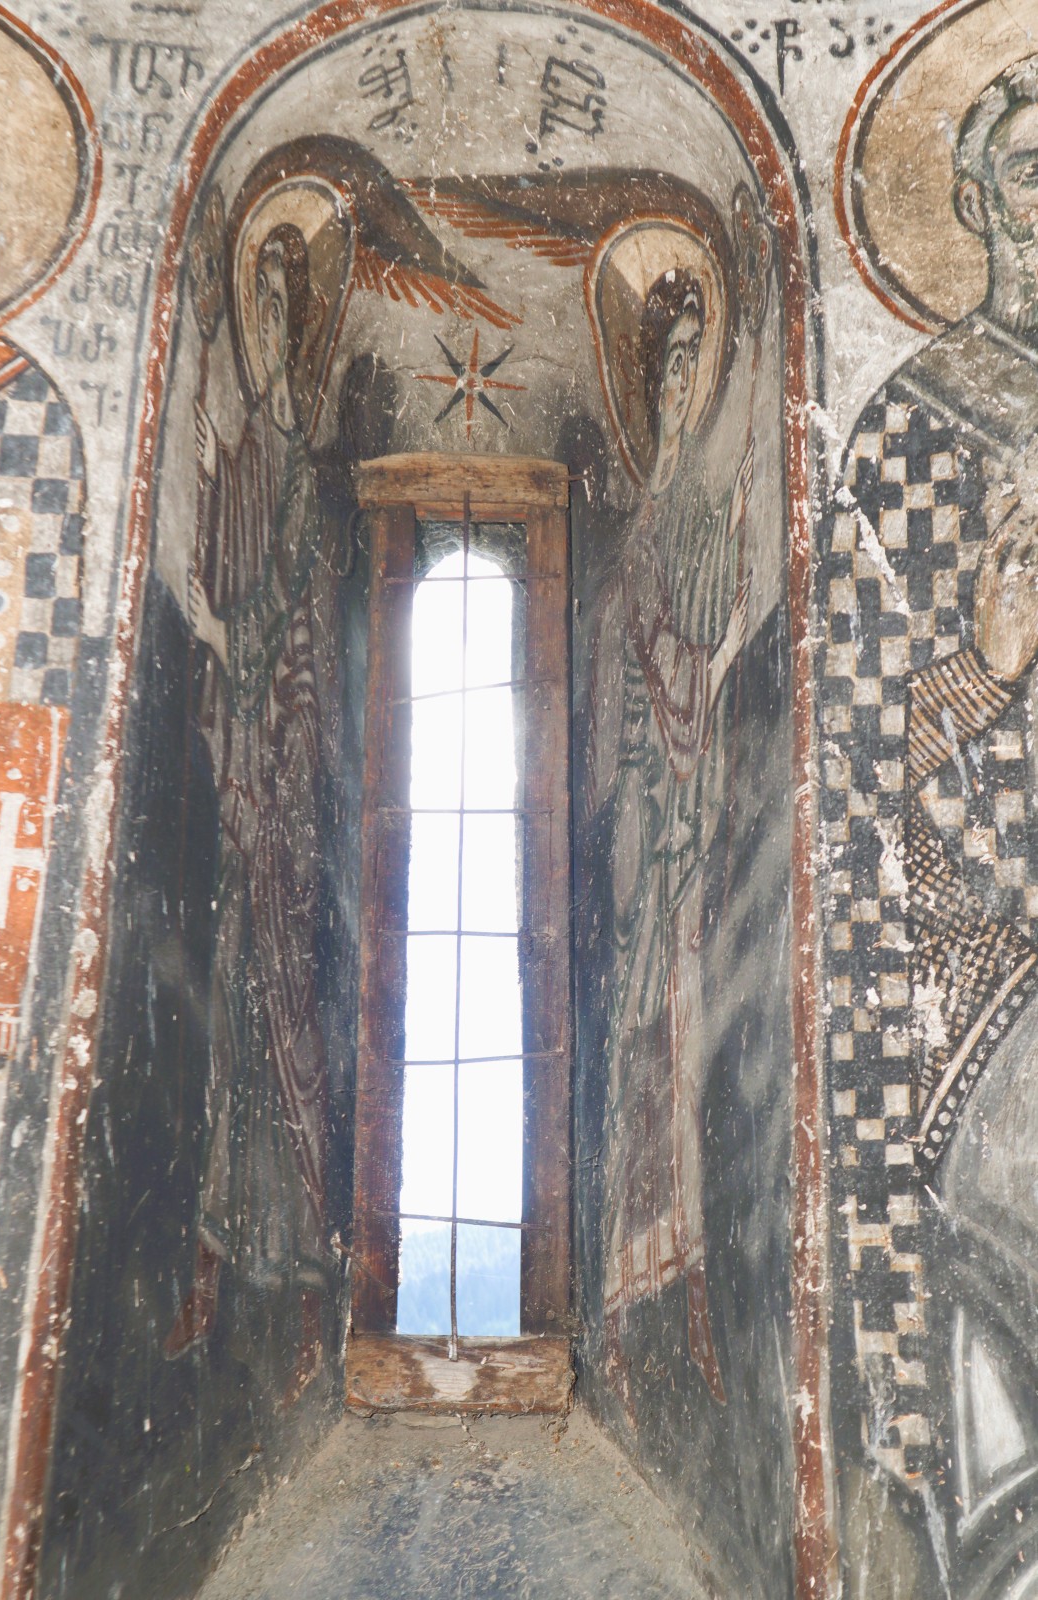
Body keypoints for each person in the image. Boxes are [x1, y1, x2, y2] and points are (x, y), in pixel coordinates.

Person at [824, 55, 1038, 1580]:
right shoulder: (906, 428)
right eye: (1028, 169)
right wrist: (978, 665)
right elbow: (844, 766)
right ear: (972, 201)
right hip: (975, 963)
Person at [163, 222, 330, 1394]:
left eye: (282, 311)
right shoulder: (230, 464)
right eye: (256, 307)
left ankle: (305, 1278)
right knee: (228, 1028)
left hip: (283, 797)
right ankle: (213, 1265)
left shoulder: (303, 484)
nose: (267, 329)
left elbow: (298, 636)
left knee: (286, 1031)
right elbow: (212, 584)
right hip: (234, 782)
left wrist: (258, 673)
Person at [587, 270, 751, 1407]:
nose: (681, 384)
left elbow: (704, 644)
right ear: (646, 394)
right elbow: (626, 691)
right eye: (667, 368)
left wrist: (711, 659)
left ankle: (682, 1282)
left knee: (681, 1047)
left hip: (682, 832)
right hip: (642, 838)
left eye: (696, 362)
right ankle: (628, 1287)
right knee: (638, 1050)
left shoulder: (700, 515)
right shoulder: (641, 534)